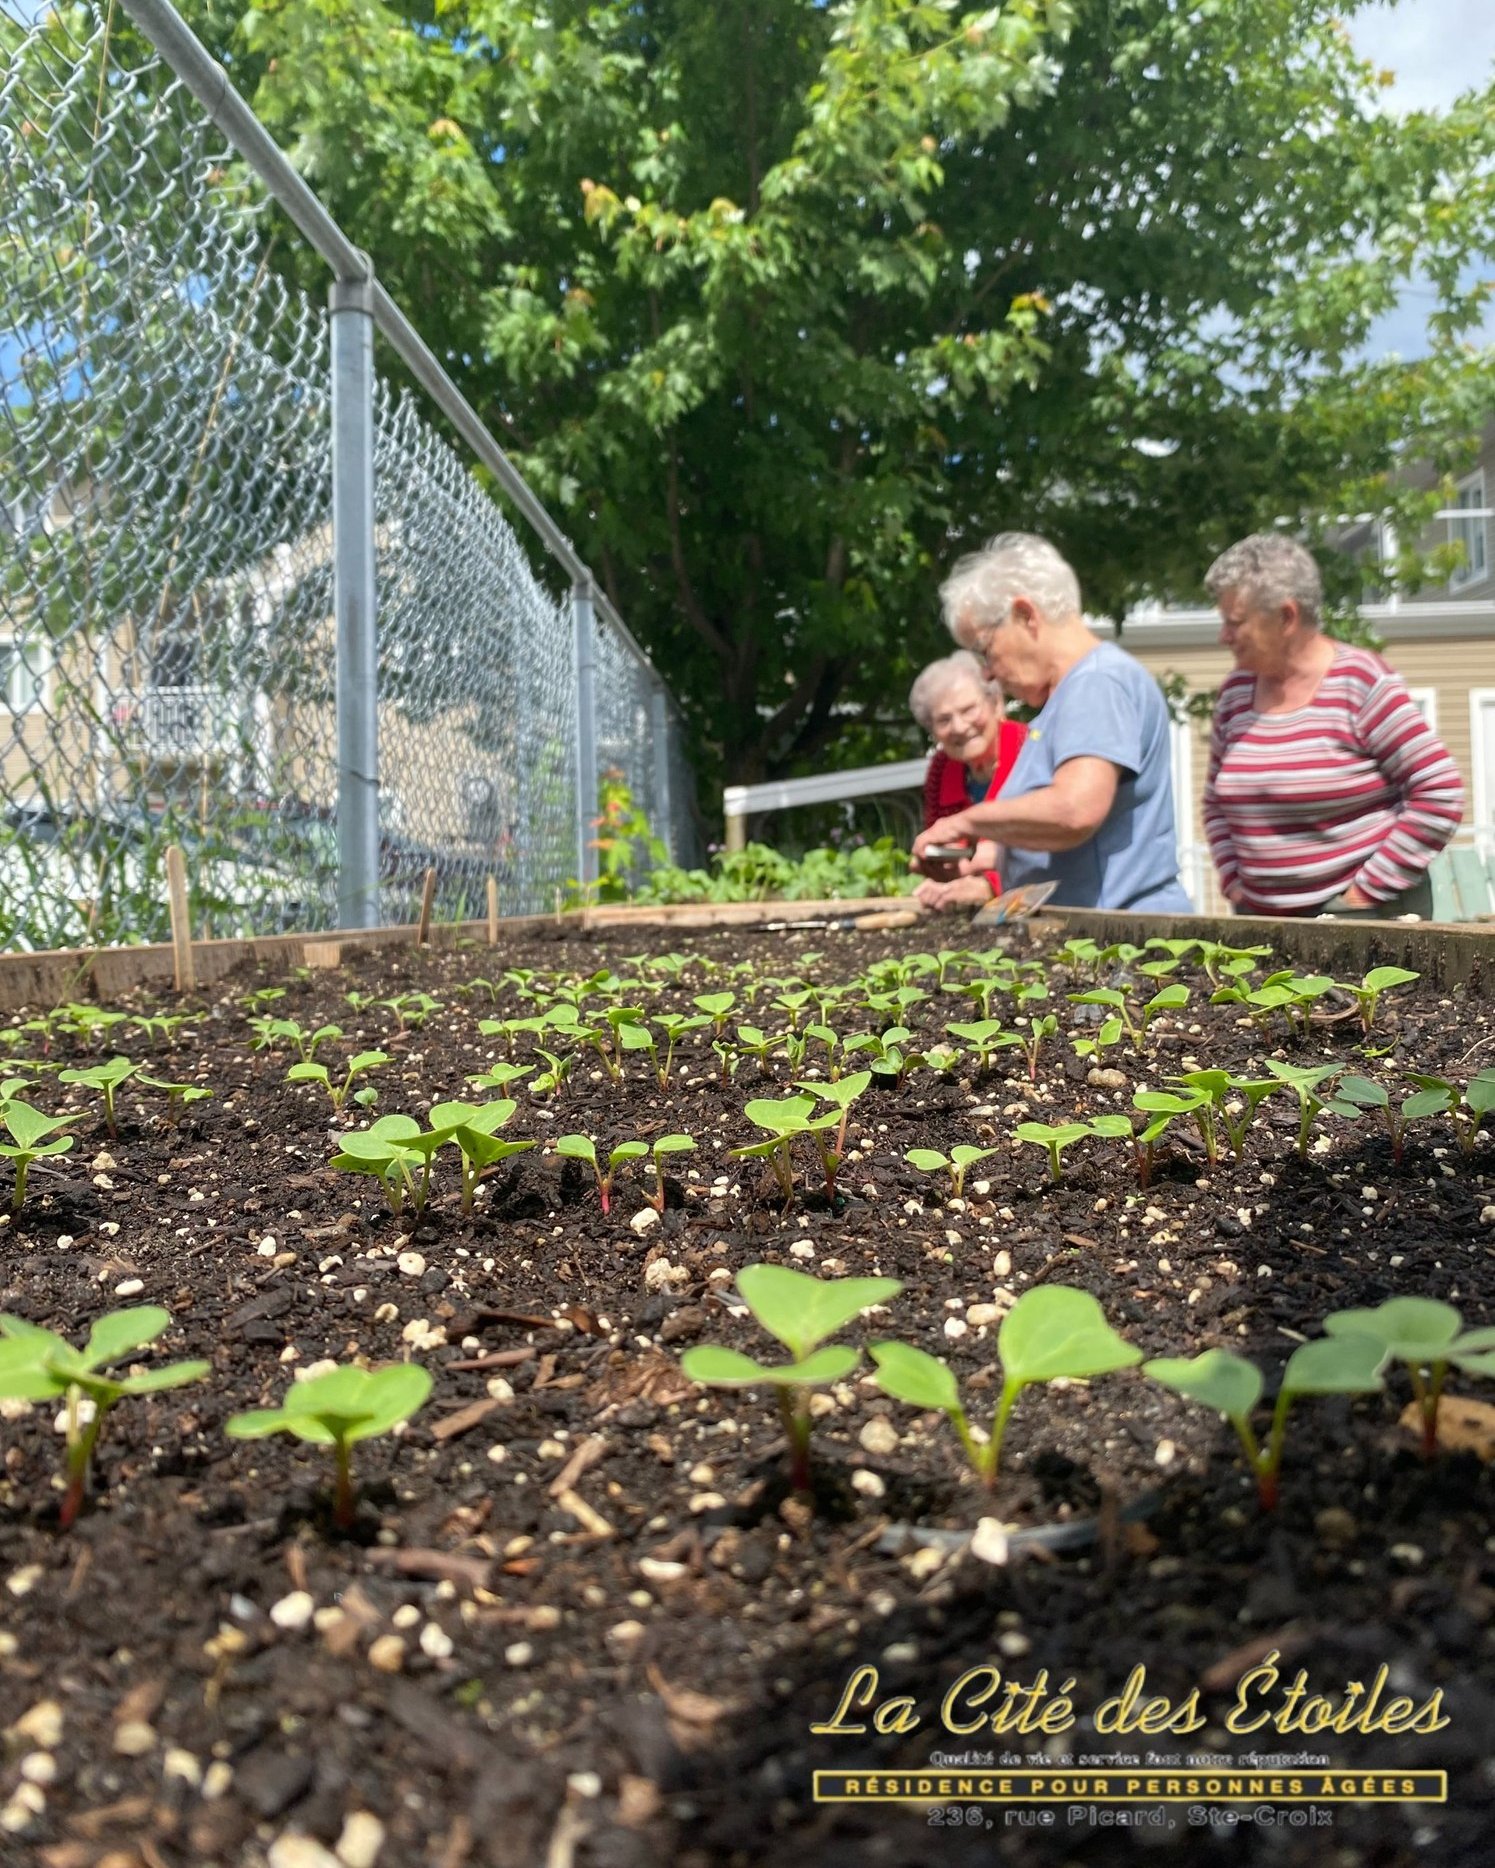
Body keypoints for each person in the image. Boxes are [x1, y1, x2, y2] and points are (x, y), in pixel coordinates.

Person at [910, 534, 1193, 911]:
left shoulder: (1097, 683)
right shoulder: (1070, 695)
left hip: (1123, 942)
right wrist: (995, 858)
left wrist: (966, 822)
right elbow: (1091, 846)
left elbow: (1074, 811)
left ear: (1026, 616)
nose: (989, 674)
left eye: (985, 649)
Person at [1202, 534, 1463, 918]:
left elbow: (1440, 792)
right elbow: (1214, 804)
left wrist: (1360, 896)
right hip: (1261, 923)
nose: (1223, 636)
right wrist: (1235, 884)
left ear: (1286, 617)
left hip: (1362, 922)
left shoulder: (1360, 682)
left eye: (1234, 623)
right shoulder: (1236, 695)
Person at [907, 651, 1028, 909]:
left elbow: (1050, 849)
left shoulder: (1028, 748)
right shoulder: (941, 768)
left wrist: (990, 885)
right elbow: (943, 842)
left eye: (968, 710)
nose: (959, 727)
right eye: (944, 720)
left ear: (995, 704)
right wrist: (939, 874)